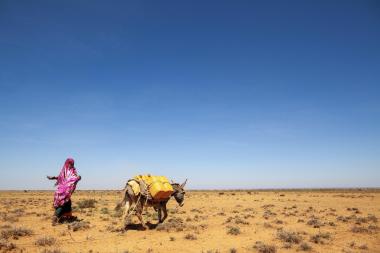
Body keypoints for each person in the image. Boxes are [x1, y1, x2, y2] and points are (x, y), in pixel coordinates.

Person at [47, 158, 81, 225]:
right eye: (72, 163)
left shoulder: (64, 170)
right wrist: (78, 178)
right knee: (62, 204)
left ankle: (69, 216)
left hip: (59, 191)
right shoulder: (72, 170)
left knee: (68, 203)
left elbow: (60, 177)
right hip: (65, 191)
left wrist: (53, 178)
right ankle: (55, 217)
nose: (72, 164)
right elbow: (73, 178)